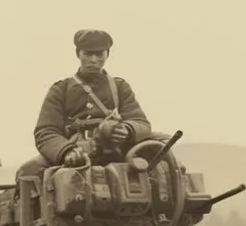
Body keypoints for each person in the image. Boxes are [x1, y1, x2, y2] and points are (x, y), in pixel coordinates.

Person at [16, 29, 153, 185]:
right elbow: (45, 131)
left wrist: (127, 130)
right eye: (87, 54)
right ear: (78, 54)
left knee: (162, 163)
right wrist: (66, 151)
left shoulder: (120, 87)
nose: (93, 60)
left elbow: (141, 122)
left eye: (99, 54)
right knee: (27, 172)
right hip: (77, 152)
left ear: (107, 55)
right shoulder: (60, 89)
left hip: (117, 150)